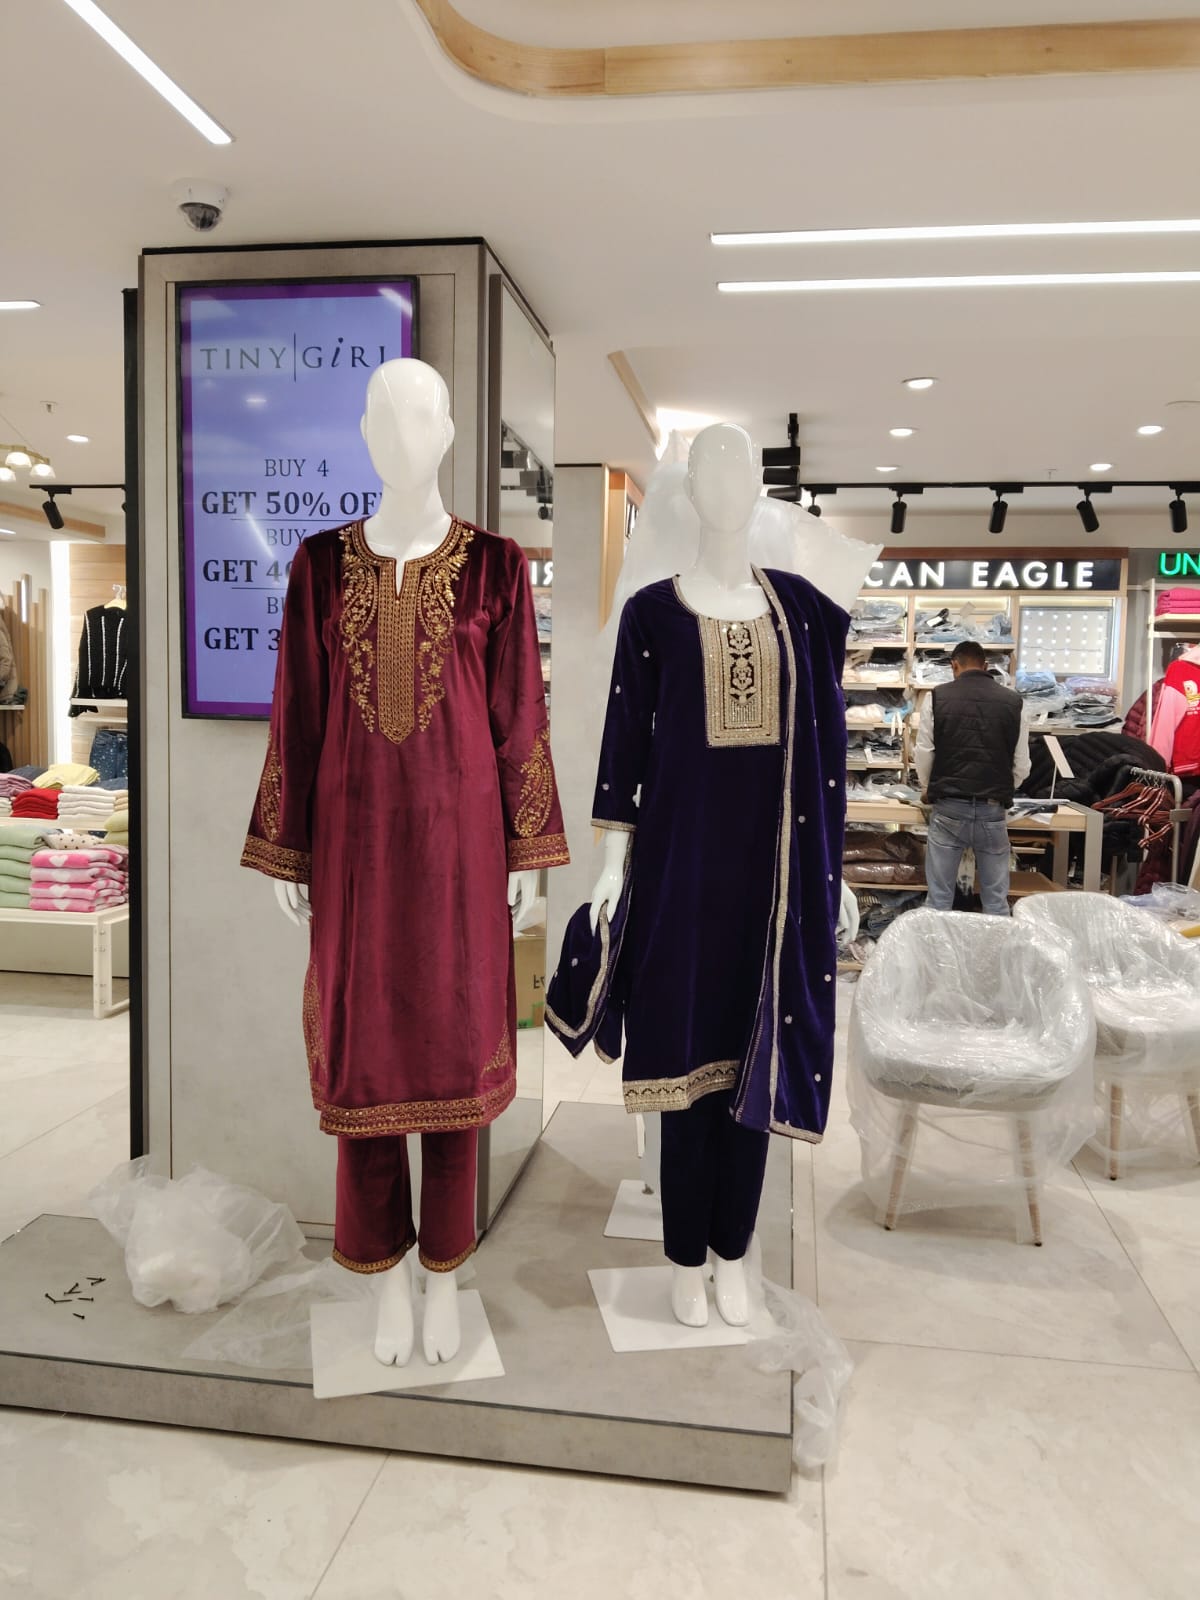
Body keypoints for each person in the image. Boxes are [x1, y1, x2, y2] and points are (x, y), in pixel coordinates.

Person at [914, 639, 1031, 915]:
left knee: (939, 901)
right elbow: (1022, 763)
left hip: (949, 808)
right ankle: (995, 945)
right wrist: (1002, 788)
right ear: (986, 666)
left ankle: (938, 944)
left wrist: (929, 787)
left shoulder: (937, 697)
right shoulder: (1014, 702)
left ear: (954, 666)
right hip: (992, 810)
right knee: (996, 903)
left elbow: (924, 752)